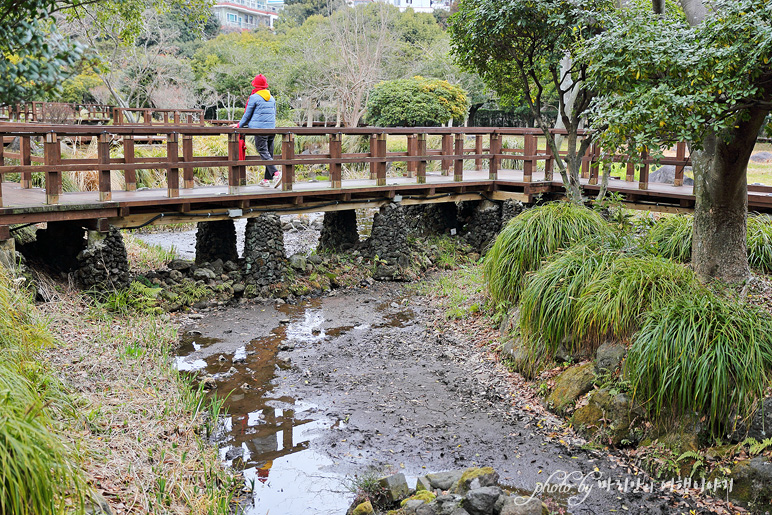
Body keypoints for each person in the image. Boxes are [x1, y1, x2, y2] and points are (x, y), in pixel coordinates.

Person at [229, 74, 281, 188]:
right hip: (271, 128)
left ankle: (276, 174)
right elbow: (274, 114)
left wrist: (238, 125)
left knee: (262, 151)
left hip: (259, 129)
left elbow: (247, 115)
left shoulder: (254, 97)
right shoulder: (271, 98)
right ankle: (266, 179)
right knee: (269, 153)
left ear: (255, 85)